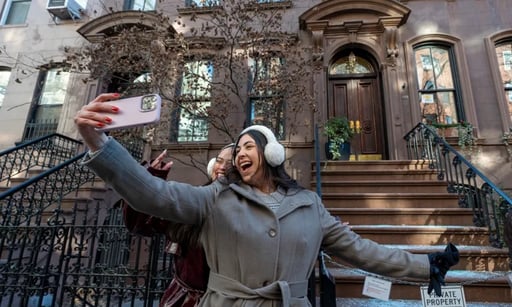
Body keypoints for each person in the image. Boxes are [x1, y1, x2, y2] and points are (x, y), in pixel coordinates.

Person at [75, 93, 459, 307]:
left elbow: (363, 251)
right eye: (236, 148)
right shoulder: (215, 198)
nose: (240, 153)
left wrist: (426, 268)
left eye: (248, 146)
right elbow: (153, 196)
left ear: (271, 154)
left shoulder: (310, 206)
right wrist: (100, 144)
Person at [119, 145, 234, 307]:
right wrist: (152, 176)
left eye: (230, 163)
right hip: (184, 302)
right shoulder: (192, 201)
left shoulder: (250, 212)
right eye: (219, 161)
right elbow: (139, 223)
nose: (222, 167)